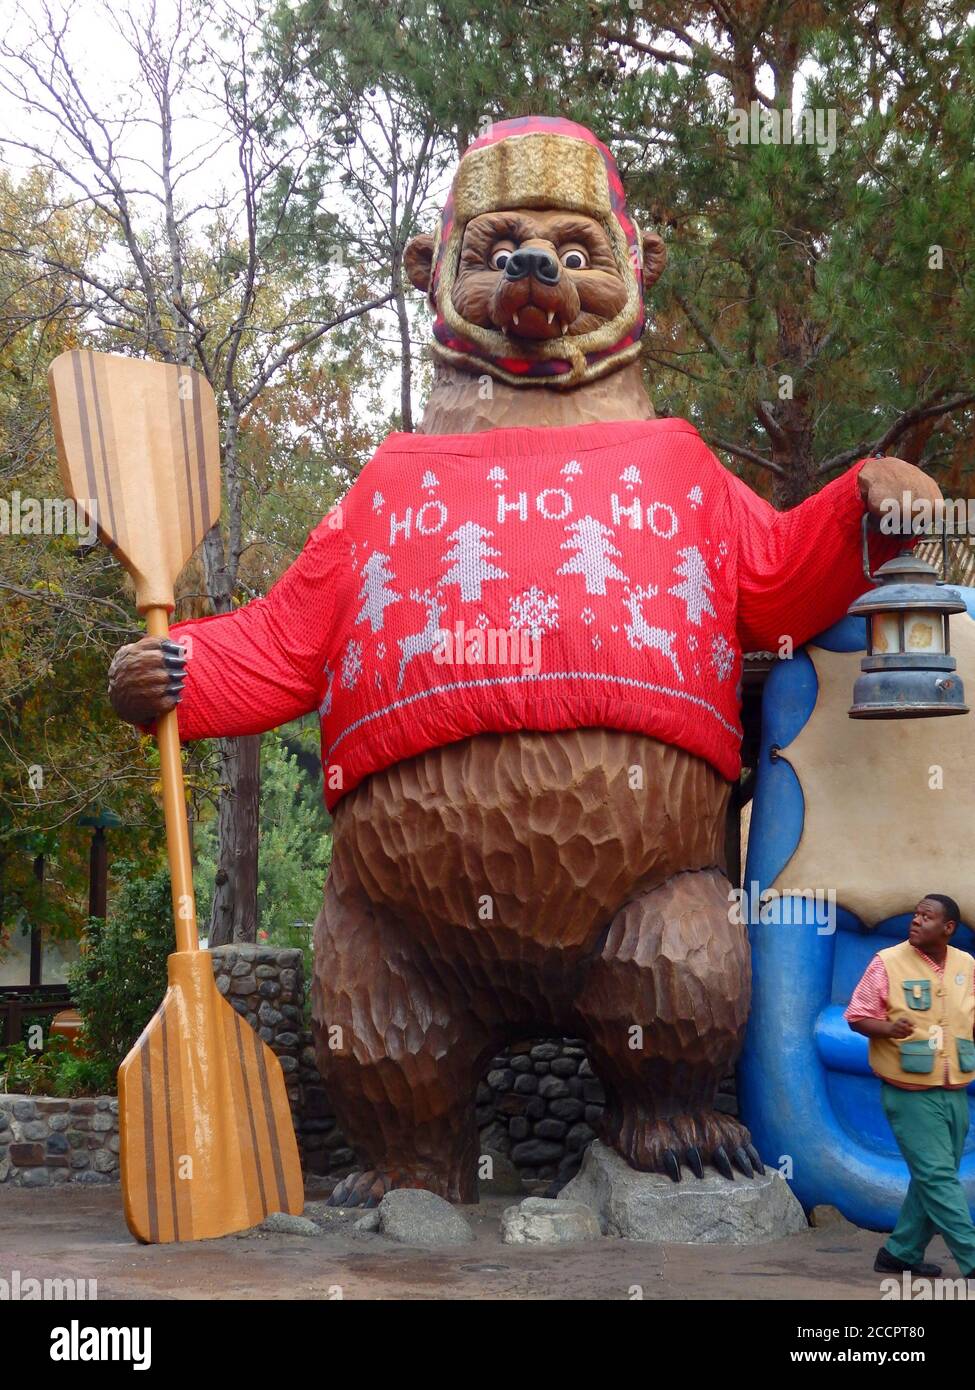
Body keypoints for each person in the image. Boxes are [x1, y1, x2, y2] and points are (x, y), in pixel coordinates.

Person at [846, 894, 975, 1278]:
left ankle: (900, 1253)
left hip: (954, 1088)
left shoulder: (966, 964)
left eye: (927, 916)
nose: (916, 921)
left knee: (932, 1176)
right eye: (915, 914)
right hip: (909, 1091)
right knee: (937, 1177)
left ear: (948, 928)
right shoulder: (887, 961)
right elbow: (857, 1015)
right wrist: (888, 1028)